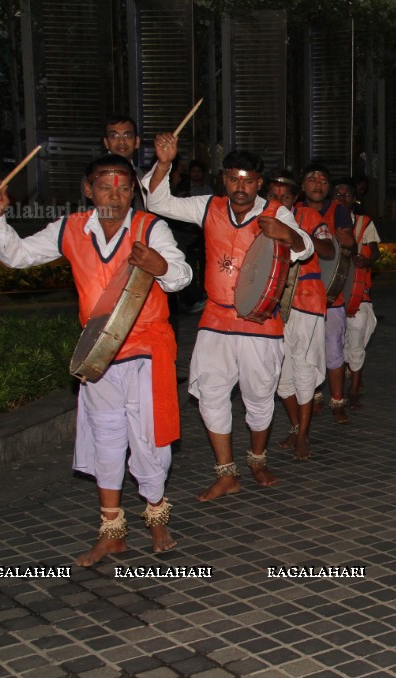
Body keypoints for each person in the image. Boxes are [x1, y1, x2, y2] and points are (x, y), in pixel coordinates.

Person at [0, 154, 193, 566]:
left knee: (150, 441)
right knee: (107, 439)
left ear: (134, 190)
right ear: (88, 189)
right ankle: (111, 531)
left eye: (124, 186)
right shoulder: (70, 228)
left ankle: (155, 515)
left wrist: (161, 265)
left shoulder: (152, 227)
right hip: (97, 355)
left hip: (147, 350)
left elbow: (181, 275)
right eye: (105, 185)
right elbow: (17, 255)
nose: (116, 194)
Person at [143, 134, 314, 501]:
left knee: (259, 397)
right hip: (216, 319)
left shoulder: (275, 211)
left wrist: (287, 233)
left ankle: (256, 458)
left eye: (249, 180)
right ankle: (226, 472)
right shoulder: (208, 206)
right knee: (211, 395)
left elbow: (306, 247)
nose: (241, 187)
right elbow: (157, 201)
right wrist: (163, 163)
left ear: (259, 182)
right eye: (234, 179)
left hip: (260, 323)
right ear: (224, 179)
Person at [265, 170, 336, 461]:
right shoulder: (259, 218)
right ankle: (296, 426)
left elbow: (329, 249)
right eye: (273, 196)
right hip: (272, 305)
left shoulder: (309, 217)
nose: (279, 201)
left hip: (306, 302)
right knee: (281, 378)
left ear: (295, 199)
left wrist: (299, 235)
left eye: (285, 197)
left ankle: (303, 436)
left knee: (305, 370)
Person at [293, 164, 356, 425]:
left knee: (332, 350)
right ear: (303, 185)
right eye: (312, 179)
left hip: (330, 295)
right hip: (299, 295)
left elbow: (349, 243)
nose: (318, 184)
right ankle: (314, 396)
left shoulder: (338, 211)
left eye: (323, 181)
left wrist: (346, 241)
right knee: (304, 351)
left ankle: (337, 401)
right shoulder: (292, 210)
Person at [333, 177, 380, 408]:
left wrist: (366, 260)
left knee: (356, 341)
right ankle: (330, 393)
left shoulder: (363, 223)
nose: (342, 198)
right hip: (329, 296)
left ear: (354, 199)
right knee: (331, 345)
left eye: (347, 194)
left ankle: (353, 391)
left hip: (357, 294)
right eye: (338, 194)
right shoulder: (321, 222)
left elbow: (375, 252)